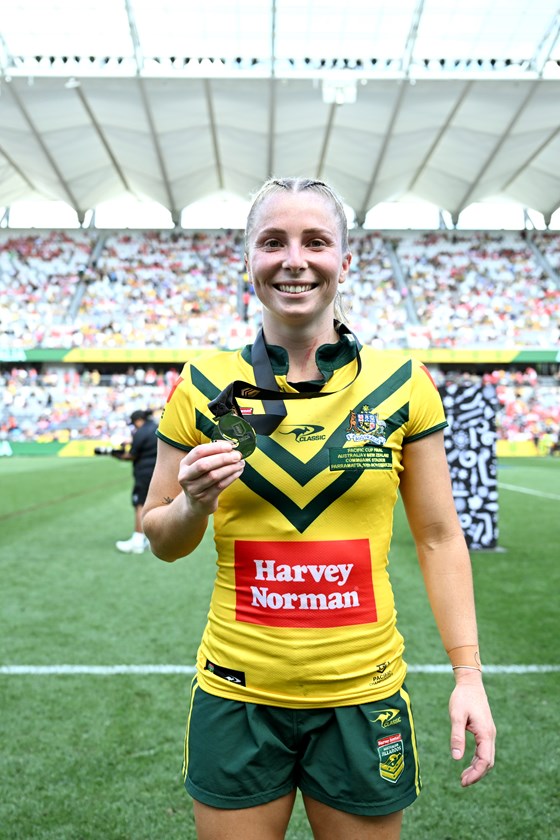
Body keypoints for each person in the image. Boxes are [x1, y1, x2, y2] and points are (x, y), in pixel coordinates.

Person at [143, 177, 496, 839]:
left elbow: (440, 537)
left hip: (363, 693)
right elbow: (159, 535)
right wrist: (191, 504)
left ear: (344, 262)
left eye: (315, 242)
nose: (294, 260)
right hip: (236, 693)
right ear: (249, 260)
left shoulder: (402, 383)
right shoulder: (202, 385)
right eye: (272, 242)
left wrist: (468, 674)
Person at [115, 409, 157, 554]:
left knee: (140, 504)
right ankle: (151, 539)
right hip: (158, 471)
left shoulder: (141, 432)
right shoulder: (157, 427)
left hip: (144, 472)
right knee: (155, 504)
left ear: (138, 420)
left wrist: (118, 455)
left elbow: (132, 455)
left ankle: (138, 541)